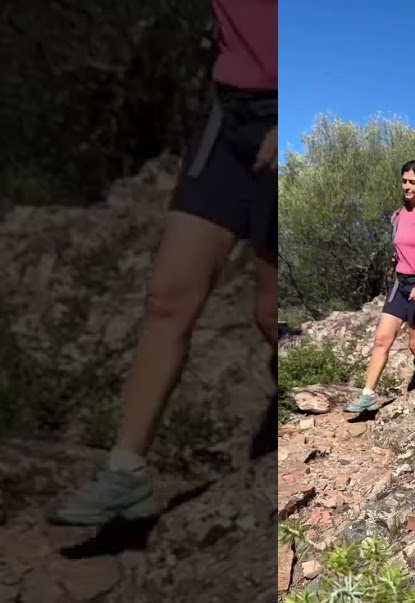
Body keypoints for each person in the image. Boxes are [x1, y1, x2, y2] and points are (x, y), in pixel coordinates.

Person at [50, 0, 278, 526]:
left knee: (270, 314)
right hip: (229, 121)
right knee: (168, 298)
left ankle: (321, 406)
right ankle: (124, 475)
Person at [344, 161, 415, 415]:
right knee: (381, 339)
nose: (407, 186)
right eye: (404, 181)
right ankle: (367, 395)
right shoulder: (399, 215)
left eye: (413, 182)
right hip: (400, 285)